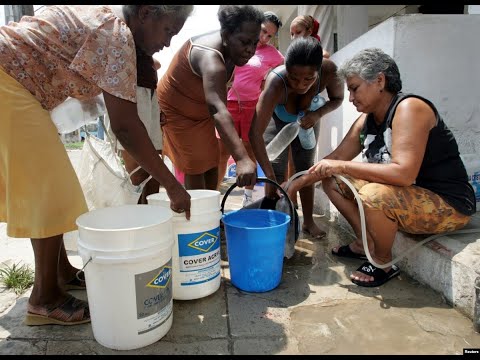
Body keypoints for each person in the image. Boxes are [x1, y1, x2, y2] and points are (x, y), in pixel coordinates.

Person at [0, 4, 193, 326]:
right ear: (146, 13)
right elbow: (126, 127)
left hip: (14, 81)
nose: (168, 41)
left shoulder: (108, 25)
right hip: (7, 79)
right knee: (52, 189)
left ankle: (61, 274)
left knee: (53, 185)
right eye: (168, 30)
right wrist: (173, 185)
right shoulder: (115, 34)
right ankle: (44, 298)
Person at [285, 48, 476, 287]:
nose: (351, 98)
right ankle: (364, 244)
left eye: (354, 88)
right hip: (407, 196)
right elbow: (332, 161)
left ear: (379, 81)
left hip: (449, 205)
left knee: (372, 194)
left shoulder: (409, 108)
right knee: (332, 180)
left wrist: (342, 165)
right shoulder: (367, 119)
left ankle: (382, 262)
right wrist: (292, 186)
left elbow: (403, 174)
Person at [157, 5, 264, 191]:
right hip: (176, 111)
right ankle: (197, 216)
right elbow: (218, 109)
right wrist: (242, 158)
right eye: (245, 42)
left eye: (254, 43)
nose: (250, 50)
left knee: (212, 162)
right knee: (196, 164)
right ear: (225, 34)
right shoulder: (210, 59)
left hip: (201, 113)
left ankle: (211, 212)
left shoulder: (231, 51)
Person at [249, 37, 344, 239]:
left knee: (305, 168)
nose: (301, 84)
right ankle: (274, 221)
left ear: (318, 71)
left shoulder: (329, 70)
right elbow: (255, 133)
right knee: (275, 167)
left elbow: (338, 99)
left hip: (308, 117)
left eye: (309, 79)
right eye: (294, 78)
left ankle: (308, 221)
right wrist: (271, 177)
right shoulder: (275, 84)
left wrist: (317, 115)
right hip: (279, 117)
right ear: (286, 68)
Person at [216, 10, 284, 206]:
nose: (264, 38)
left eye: (270, 35)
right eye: (262, 31)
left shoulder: (273, 55)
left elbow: (285, 73)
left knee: (249, 150)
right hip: (228, 104)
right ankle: (214, 194)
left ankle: (248, 198)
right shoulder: (240, 42)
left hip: (251, 107)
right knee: (221, 151)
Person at [104, 47, 164, 205]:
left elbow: (156, 64)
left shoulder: (144, 49)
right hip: (130, 94)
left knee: (154, 168)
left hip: (149, 93)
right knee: (138, 173)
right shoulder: (122, 35)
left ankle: (152, 216)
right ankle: (137, 219)